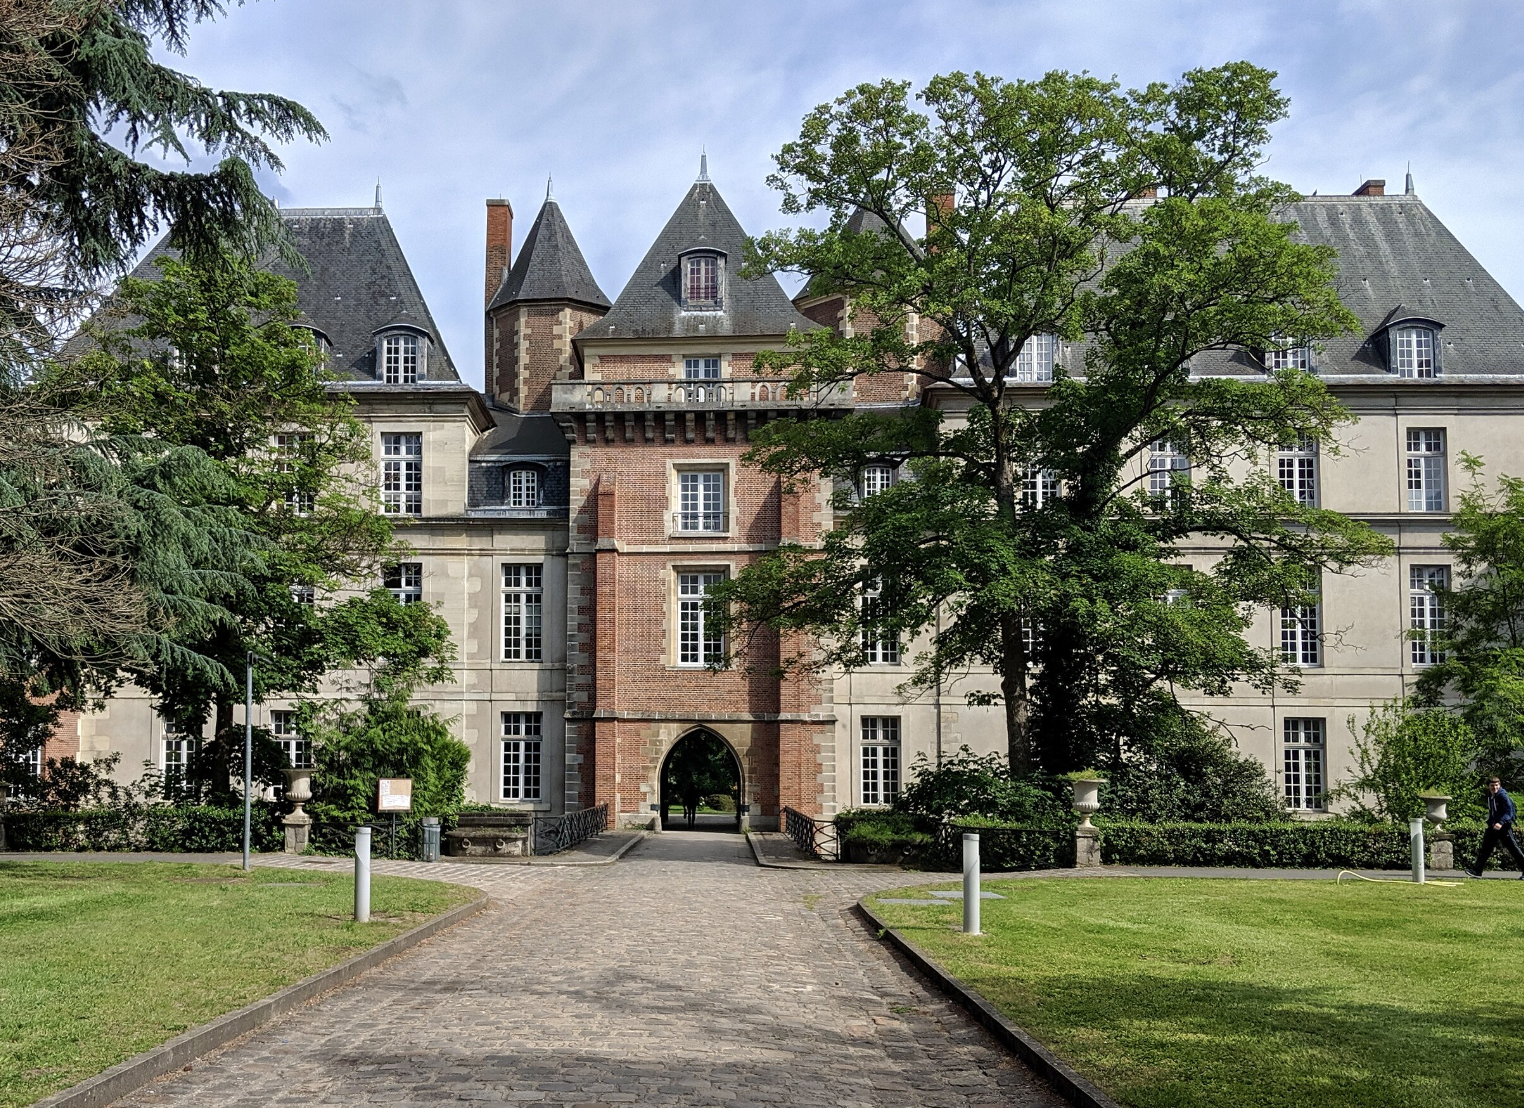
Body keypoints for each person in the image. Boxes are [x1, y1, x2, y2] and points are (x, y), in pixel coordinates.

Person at [1466, 777, 1524, 879]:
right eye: (1492, 785)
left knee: (1514, 849)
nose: (1495, 787)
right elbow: (1493, 812)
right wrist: (1491, 822)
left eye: (1497, 785)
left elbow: (1508, 812)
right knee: (1485, 849)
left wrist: (1500, 822)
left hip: (1504, 827)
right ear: (1488, 786)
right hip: (1493, 827)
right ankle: (1477, 871)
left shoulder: (1502, 796)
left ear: (1500, 785)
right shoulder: (1490, 796)